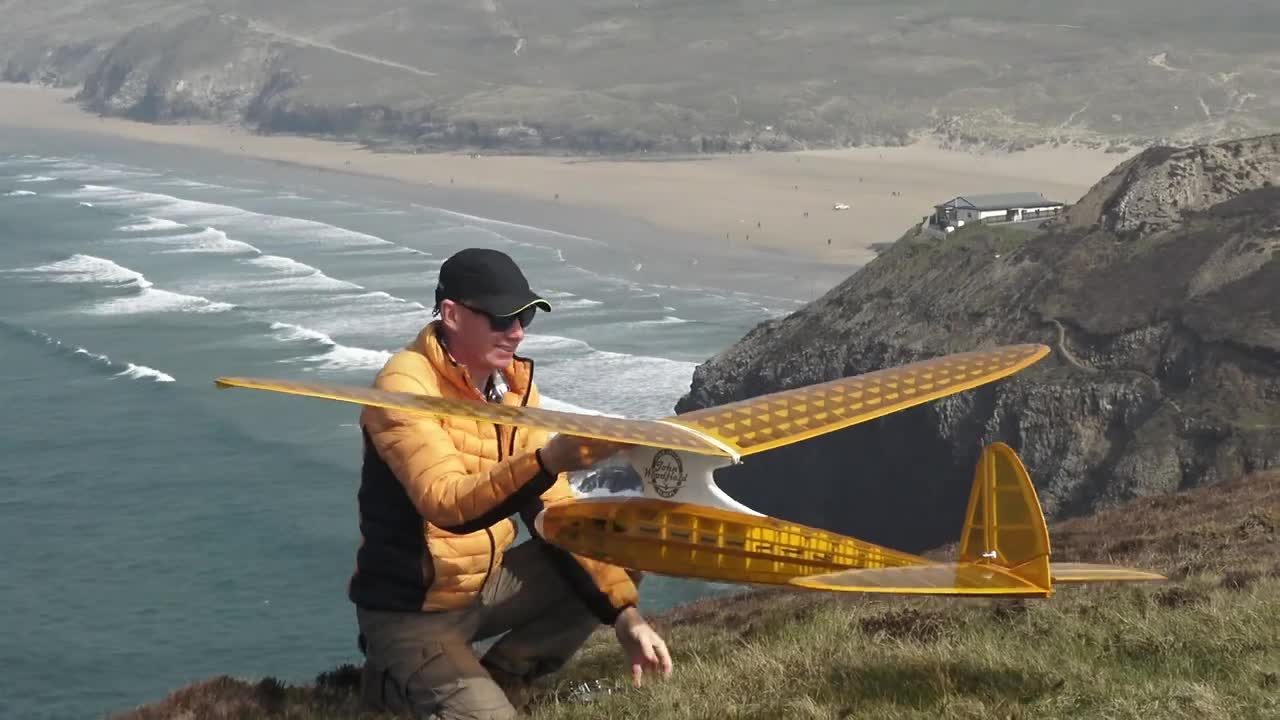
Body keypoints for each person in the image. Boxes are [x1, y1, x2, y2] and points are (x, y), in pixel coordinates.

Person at [351, 247, 673, 719]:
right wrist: (547, 459)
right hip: (411, 613)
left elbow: (556, 513)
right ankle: (397, 679)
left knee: (618, 547)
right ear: (452, 315)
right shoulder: (403, 387)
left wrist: (626, 619)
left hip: (480, 589)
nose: (518, 332)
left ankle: (505, 676)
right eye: (503, 319)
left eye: (524, 317)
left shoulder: (510, 386)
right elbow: (448, 504)